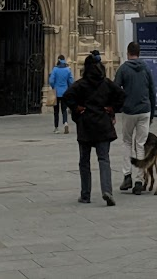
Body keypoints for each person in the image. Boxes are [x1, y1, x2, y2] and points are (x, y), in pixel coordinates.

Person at [65, 52, 124, 207]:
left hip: (85, 126)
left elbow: (67, 96)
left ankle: (85, 195)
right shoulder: (106, 83)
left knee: (84, 161)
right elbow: (121, 94)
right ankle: (107, 191)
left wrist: (77, 108)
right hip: (103, 125)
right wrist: (112, 108)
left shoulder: (80, 84)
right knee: (104, 159)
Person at [113, 41, 156, 194]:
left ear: (127, 52)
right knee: (140, 144)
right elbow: (152, 89)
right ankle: (139, 180)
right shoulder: (146, 68)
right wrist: (152, 111)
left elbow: (115, 89)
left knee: (126, 142)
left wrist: (116, 108)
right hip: (144, 109)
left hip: (129, 110)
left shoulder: (123, 69)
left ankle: (127, 175)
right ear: (139, 52)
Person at [49, 52, 74, 132]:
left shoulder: (55, 69)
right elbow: (71, 81)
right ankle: (65, 123)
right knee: (64, 109)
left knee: (56, 111)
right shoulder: (67, 69)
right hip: (65, 92)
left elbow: (51, 80)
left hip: (56, 92)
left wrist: (53, 87)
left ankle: (56, 128)